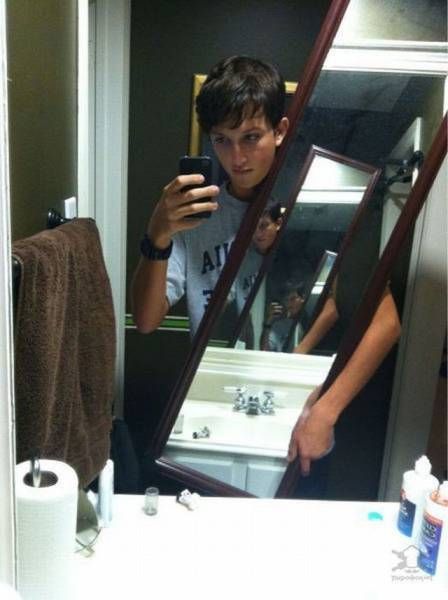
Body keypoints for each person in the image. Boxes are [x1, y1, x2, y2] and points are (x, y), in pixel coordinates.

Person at [131, 55, 289, 337]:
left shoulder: (300, 207)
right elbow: (145, 320)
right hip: (209, 363)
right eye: (222, 140)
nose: (237, 158)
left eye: (251, 137)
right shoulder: (194, 215)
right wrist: (157, 234)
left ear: (279, 131)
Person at [260, 283, 305, 352]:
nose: (289, 304)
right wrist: (268, 321)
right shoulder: (279, 326)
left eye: (293, 299)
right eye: (286, 300)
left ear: (302, 298)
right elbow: (265, 350)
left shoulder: (314, 320)